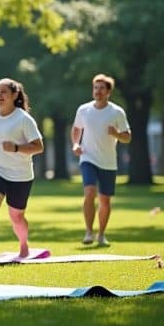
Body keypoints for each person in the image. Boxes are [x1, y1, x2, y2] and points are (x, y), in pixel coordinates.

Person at [0, 79, 44, 262]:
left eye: (3, 92)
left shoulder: (23, 119)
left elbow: (38, 147)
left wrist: (16, 148)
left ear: (15, 95)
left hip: (19, 173)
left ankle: (24, 245)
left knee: (16, 216)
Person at [71, 74, 131, 246]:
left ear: (108, 91)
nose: (97, 91)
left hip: (108, 162)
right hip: (88, 157)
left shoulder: (117, 112)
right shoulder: (84, 110)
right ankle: (89, 232)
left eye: (101, 88)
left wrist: (117, 134)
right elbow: (76, 129)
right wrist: (76, 144)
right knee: (89, 192)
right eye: (95, 88)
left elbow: (127, 137)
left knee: (105, 200)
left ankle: (101, 234)